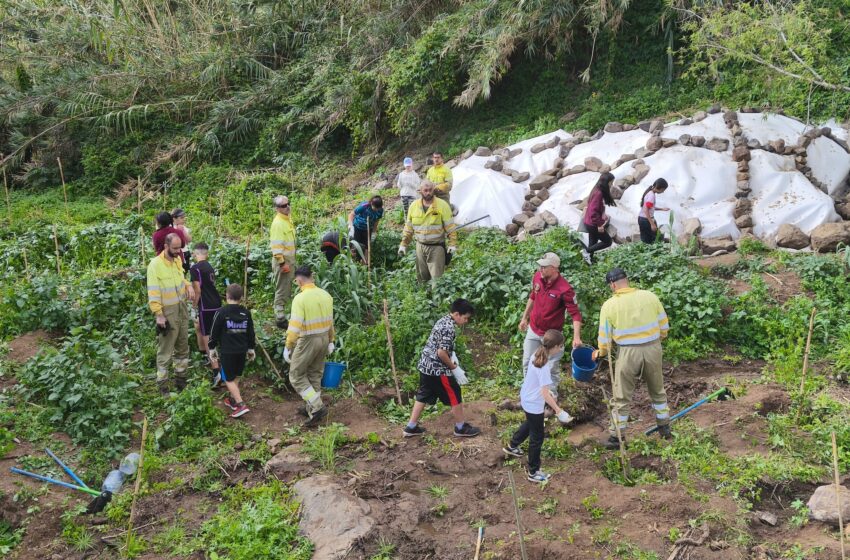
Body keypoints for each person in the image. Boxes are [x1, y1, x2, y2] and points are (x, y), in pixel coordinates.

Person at [592, 268, 671, 449]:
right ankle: (664, 427)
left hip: (628, 353)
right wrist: (657, 338)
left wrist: (600, 353)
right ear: (627, 280)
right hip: (653, 348)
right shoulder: (650, 296)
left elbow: (604, 339)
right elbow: (664, 326)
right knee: (657, 389)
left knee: (621, 396)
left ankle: (616, 436)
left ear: (612, 285)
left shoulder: (609, 305)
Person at [403, 299, 481, 438]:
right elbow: (441, 353)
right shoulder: (449, 328)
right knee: (454, 393)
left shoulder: (443, 320)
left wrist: (452, 355)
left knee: (424, 394)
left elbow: (442, 346)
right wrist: (453, 367)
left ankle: (411, 427)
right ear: (457, 314)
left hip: (425, 365)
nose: (466, 321)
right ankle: (460, 427)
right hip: (437, 369)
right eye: (465, 318)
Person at [503, 330, 574, 483]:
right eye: (560, 346)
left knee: (530, 423)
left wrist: (549, 395)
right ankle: (533, 472)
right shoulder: (544, 367)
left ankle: (512, 446)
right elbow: (544, 394)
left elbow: (542, 389)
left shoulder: (537, 353)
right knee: (537, 437)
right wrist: (558, 410)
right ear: (554, 347)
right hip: (534, 403)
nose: (561, 349)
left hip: (527, 397)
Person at [518, 252, 582, 402]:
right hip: (534, 329)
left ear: (554, 268)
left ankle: (550, 398)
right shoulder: (537, 277)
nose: (540, 268)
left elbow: (575, 315)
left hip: (552, 335)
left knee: (551, 367)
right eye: (540, 265)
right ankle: (530, 393)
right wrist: (524, 318)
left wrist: (576, 337)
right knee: (528, 362)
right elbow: (532, 297)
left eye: (544, 266)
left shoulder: (565, 289)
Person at [283, 266, 335, 428]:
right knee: (314, 373)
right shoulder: (326, 295)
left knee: (296, 375)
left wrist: (289, 345)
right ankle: (311, 408)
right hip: (324, 338)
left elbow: (295, 326)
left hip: (308, 340)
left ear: (298, 280)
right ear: (312, 277)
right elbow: (330, 321)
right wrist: (331, 340)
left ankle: (317, 406)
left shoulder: (300, 299)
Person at [146, 233, 195, 394]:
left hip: (181, 307)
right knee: (166, 350)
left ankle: (181, 381)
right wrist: (159, 314)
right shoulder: (154, 265)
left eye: (179, 247)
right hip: (167, 311)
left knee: (183, 346)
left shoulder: (177, 260)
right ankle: (163, 386)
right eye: (174, 248)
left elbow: (181, 278)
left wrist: (188, 285)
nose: (178, 251)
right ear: (166, 246)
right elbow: (153, 292)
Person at [208, 284, 256, 418]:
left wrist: (212, 347)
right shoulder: (246, 313)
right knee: (237, 376)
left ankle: (241, 405)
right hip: (242, 350)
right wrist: (251, 348)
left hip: (228, 351)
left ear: (227, 296)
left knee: (228, 379)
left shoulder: (221, 312)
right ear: (241, 297)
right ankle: (233, 400)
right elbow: (251, 332)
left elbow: (214, 331)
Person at [398, 182, 457, 284]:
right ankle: (424, 298)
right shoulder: (414, 206)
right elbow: (408, 227)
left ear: (433, 190)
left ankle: (437, 299)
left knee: (437, 279)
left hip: (436, 247)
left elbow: (450, 226)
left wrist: (452, 243)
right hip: (420, 246)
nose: (428, 192)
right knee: (422, 277)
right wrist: (403, 244)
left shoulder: (442, 205)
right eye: (425, 190)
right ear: (420, 191)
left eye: (430, 190)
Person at [189, 242, 222, 369]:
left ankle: (216, 369)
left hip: (206, 306)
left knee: (207, 337)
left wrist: (194, 306)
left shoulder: (195, 268)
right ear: (207, 254)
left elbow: (197, 290)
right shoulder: (209, 266)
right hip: (217, 303)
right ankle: (209, 358)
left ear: (194, 253)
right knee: (206, 331)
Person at [270, 195, 296, 329]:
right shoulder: (278, 224)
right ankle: (280, 319)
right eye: (284, 206)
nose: (287, 207)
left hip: (289, 261)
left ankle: (284, 313)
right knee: (282, 289)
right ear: (277, 208)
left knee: (286, 287)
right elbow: (276, 247)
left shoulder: (286, 219)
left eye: (288, 204)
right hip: (283, 262)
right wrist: (282, 263)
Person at [580, 172, 616, 264]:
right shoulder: (598, 193)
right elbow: (593, 212)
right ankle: (586, 251)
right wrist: (600, 224)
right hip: (593, 223)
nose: (612, 184)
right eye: (611, 182)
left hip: (589, 221)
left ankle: (588, 261)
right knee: (608, 241)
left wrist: (603, 215)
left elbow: (594, 208)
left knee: (593, 242)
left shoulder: (596, 189)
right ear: (607, 182)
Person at [348, 195, 384, 262]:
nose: (376, 210)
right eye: (375, 208)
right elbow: (352, 214)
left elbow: (376, 221)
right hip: (357, 227)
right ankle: (354, 262)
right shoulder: (364, 206)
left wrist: (374, 232)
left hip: (368, 229)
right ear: (371, 203)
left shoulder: (380, 210)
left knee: (367, 246)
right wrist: (351, 226)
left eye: (378, 208)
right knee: (355, 245)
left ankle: (365, 262)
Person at [637, 178, 670, 244]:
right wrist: (652, 224)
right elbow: (646, 209)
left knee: (652, 237)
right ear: (660, 188)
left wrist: (662, 209)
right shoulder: (651, 195)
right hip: (645, 220)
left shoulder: (650, 192)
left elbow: (649, 207)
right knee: (648, 240)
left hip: (644, 219)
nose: (663, 192)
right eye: (663, 190)